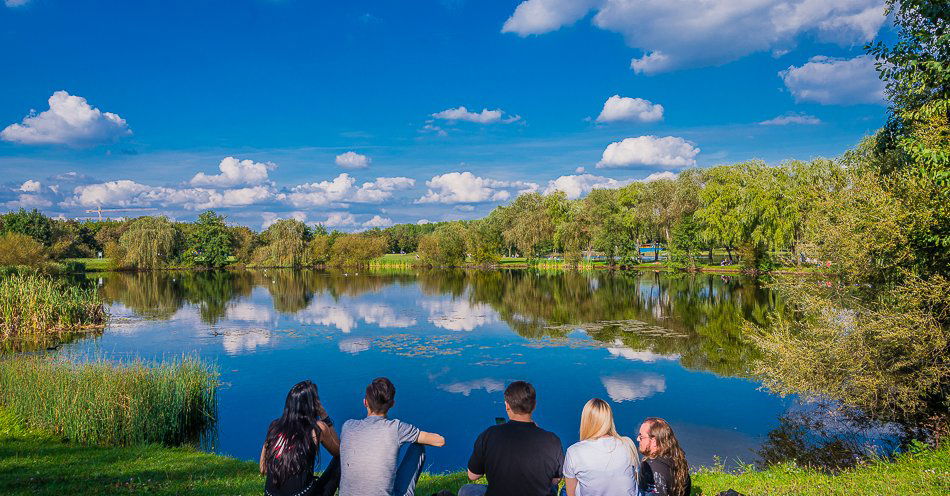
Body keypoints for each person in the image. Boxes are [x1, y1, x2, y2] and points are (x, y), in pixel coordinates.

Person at [339, 377, 445, 496]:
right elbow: (439, 442)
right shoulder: (396, 428)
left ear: (365, 402)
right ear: (392, 404)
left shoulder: (348, 426)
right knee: (418, 447)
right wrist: (413, 437)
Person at [459, 380, 564, 496]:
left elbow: (473, 475)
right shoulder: (552, 441)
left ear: (507, 406)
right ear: (534, 405)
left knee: (466, 490)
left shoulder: (489, 435)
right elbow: (556, 479)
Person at [260, 380, 341, 496]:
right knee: (342, 458)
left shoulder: (274, 426)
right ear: (312, 405)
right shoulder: (317, 428)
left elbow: (263, 468)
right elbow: (338, 452)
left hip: (270, 494)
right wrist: (324, 415)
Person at [562, 398, 639, 496]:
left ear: (585, 420)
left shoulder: (574, 451)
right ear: (609, 419)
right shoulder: (627, 444)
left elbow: (571, 493)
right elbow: (633, 479)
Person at [636, 418, 691, 496]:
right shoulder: (678, 461)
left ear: (654, 441)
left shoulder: (649, 466)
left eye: (641, 437)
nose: (638, 439)